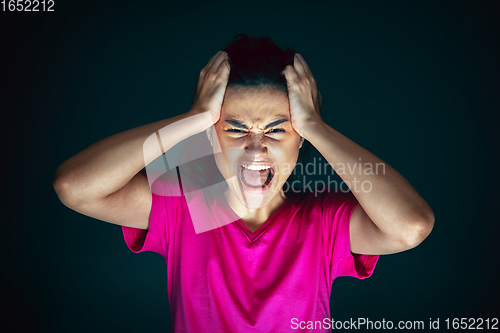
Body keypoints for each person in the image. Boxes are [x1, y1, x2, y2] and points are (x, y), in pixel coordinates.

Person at [53, 34, 434, 332]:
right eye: (234, 129)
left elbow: (411, 226)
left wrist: (317, 126)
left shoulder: (323, 218)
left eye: (276, 130)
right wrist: (194, 116)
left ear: (301, 137)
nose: (256, 147)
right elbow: (74, 187)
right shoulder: (189, 202)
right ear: (208, 134)